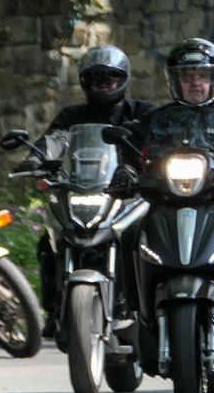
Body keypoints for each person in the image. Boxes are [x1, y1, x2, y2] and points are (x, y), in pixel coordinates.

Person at [111, 38, 214, 369]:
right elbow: (132, 152)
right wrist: (125, 171)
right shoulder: (158, 121)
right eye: (187, 76)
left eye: (201, 75)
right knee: (131, 235)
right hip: (165, 207)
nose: (195, 82)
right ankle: (130, 308)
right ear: (175, 80)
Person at [16, 45, 155, 338]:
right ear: (84, 82)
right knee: (49, 241)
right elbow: (55, 139)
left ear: (124, 79)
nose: (102, 83)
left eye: (110, 77)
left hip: (128, 193)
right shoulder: (72, 115)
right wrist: (38, 157)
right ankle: (54, 310)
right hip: (82, 188)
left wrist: (150, 165)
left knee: (143, 238)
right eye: (95, 78)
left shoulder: (142, 113)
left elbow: (158, 144)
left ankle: (144, 307)